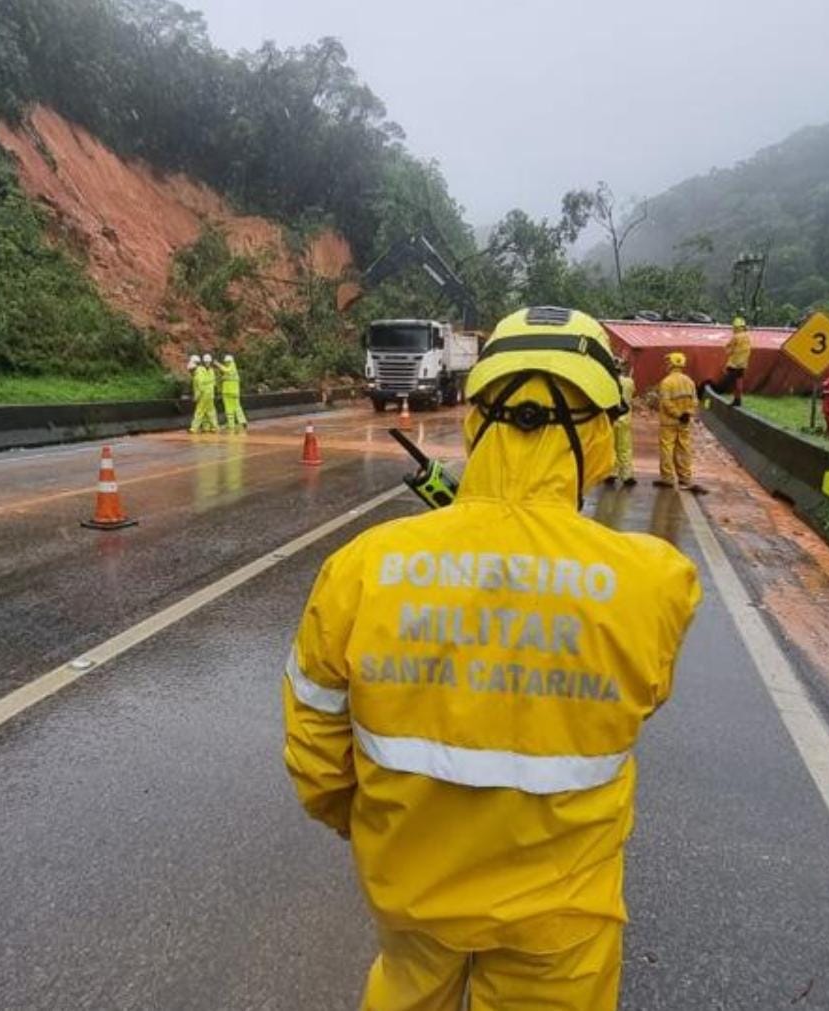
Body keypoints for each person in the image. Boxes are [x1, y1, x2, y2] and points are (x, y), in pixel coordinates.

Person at [283, 305, 702, 1011]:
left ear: (478, 421)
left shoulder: (363, 566)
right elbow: (635, 699)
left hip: (409, 887)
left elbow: (318, 747)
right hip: (562, 915)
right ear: (601, 430)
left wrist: (371, 826)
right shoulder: (655, 581)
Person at [654, 351, 705, 493]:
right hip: (684, 422)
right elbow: (695, 401)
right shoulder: (689, 382)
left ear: (671, 364)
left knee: (667, 449)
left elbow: (666, 402)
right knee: (684, 449)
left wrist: (677, 414)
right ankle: (685, 478)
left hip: (668, 422)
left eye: (667, 362)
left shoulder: (666, 382)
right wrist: (687, 414)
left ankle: (668, 478)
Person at [605, 356, 636, 487]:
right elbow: (633, 394)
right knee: (625, 448)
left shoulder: (606, 381)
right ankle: (627, 475)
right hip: (625, 419)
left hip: (611, 419)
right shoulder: (629, 382)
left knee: (610, 448)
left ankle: (611, 474)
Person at [708, 316, 752, 406]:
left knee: (728, 380)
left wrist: (727, 349)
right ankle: (738, 399)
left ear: (736, 327)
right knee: (739, 382)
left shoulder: (736, 337)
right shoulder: (748, 336)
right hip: (743, 364)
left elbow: (728, 350)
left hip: (734, 363)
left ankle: (718, 390)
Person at [215, 353, 248, 432]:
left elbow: (226, 370)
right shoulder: (232, 370)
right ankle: (238, 423)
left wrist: (217, 364)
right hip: (232, 392)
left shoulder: (231, 368)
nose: (226, 363)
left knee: (231, 409)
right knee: (235, 408)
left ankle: (235, 423)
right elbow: (223, 378)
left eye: (227, 362)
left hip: (229, 392)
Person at [189, 354, 219, 434]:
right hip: (210, 394)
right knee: (210, 411)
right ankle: (211, 427)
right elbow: (214, 383)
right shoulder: (211, 370)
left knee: (199, 411)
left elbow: (200, 385)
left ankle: (194, 428)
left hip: (203, 395)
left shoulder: (199, 372)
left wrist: (196, 396)